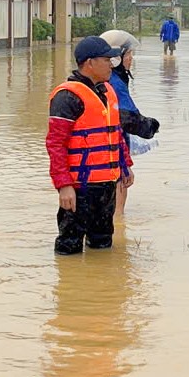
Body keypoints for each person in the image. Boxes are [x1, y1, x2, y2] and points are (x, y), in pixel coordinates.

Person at [47, 36, 134, 254]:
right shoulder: (67, 97)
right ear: (90, 63)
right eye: (107, 60)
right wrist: (64, 185)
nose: (111, 65)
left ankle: (101, 287)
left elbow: (115, 133)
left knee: (103, 244)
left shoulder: (106, 92)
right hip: (79, 187)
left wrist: (125, 165)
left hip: (106, 185)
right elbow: (56, 145)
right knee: (69, 248)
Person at [99, 29, 160, 216]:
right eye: (129, 55)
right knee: (119, 185)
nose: (131, 59)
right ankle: (118, 224)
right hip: (112, 147)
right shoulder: (115, 82)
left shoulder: (106, 79)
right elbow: (128, 118)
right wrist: (151, 126)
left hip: (105, 147)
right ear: (116, 58)